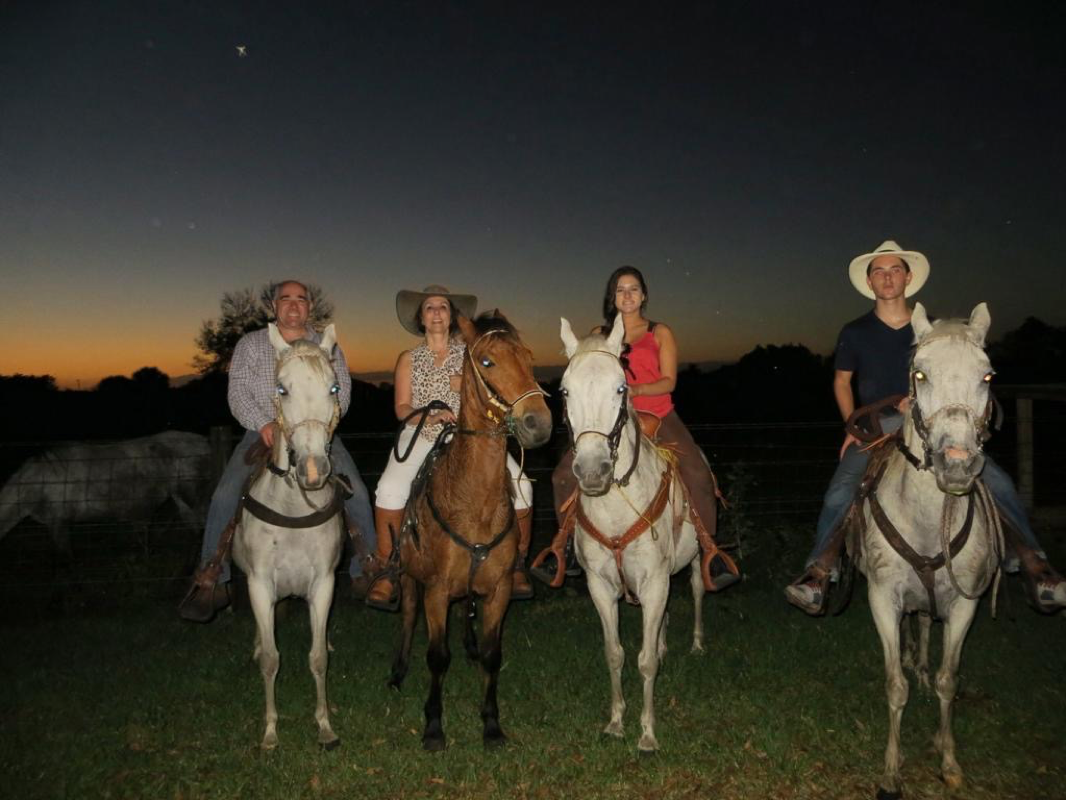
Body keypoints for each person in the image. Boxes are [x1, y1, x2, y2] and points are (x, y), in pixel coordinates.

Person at [785, 241, 1066, 615]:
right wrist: (851, 426)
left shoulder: (936, 329)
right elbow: (841, 381)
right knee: (840, 491)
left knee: (998, 482)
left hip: (935, 425)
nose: (887, 277)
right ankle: (819, 571)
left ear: (909, 277)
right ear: (869, 282)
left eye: (894, 270)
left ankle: (1033, 563)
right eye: (879, 272)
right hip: (878, 425)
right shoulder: (855, 331)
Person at [179, 280, 377, 622]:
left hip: (317, 434)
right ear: (274, 307)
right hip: (262, 432)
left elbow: (341, 393)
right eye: (286, 299)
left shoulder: (327, 346)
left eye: (301, 299)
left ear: (310, 308)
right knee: (225, 494)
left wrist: (325, 427)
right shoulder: (252, 345)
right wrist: (264, 424)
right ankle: (212, 576)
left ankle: (370, 568)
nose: (293, 305)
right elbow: (238, 392)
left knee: (357, 490)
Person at [544, 266, 739, 590]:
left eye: (634, 289)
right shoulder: (599, 333)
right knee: (562, 475)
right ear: (612, 296)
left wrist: (636, 392)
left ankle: (709, 550)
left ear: (644, 295)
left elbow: (669, 380)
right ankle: (566, 546)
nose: (628, 295)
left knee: (698, 473)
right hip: (610, 421)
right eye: (621, 290)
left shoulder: (659, 332)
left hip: (658, 414)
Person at [365, 286, 536, 610]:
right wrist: (426, 416)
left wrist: (467, 385)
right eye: (430, 307)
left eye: (443, 307)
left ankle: (516, 563)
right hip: (421, 433)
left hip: (471, 438)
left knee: (523, 485)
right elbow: (401, 407)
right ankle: (388, 568)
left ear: (452, 315)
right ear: (421, 317)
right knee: (389, 489)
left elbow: (492, 385)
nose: (437, 312)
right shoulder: (408, 359)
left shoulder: (471, 351)